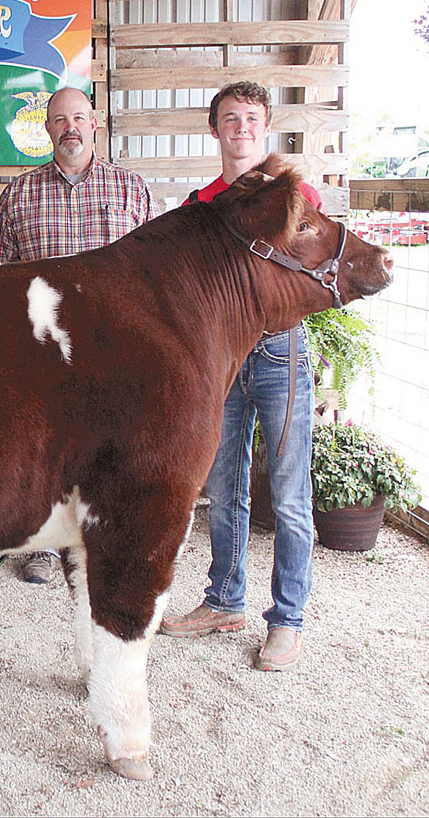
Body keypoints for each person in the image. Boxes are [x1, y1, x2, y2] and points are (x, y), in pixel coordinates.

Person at [159, 80, 324, 671]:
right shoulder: (200, 206)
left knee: (288, 492)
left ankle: (287, 620)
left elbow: (317, 270)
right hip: (223, 358)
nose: (241, 128)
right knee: (223, 487)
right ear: (215, 131)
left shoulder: (299, 197)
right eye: (230, 119)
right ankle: (225, 600)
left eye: (252, 117)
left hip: (279, 353)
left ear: (265, 126)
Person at [0, 86, 161, 584]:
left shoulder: (133, 189)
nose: (70, 128)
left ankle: (107, 537)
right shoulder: (19, 193)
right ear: (46, 130)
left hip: (115, 344)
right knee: (48, 448)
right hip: (44, 349)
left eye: (79, 117)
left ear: (95, 122)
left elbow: (155, 278)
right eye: (60, 120)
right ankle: (46, 543)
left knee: (114, 445)